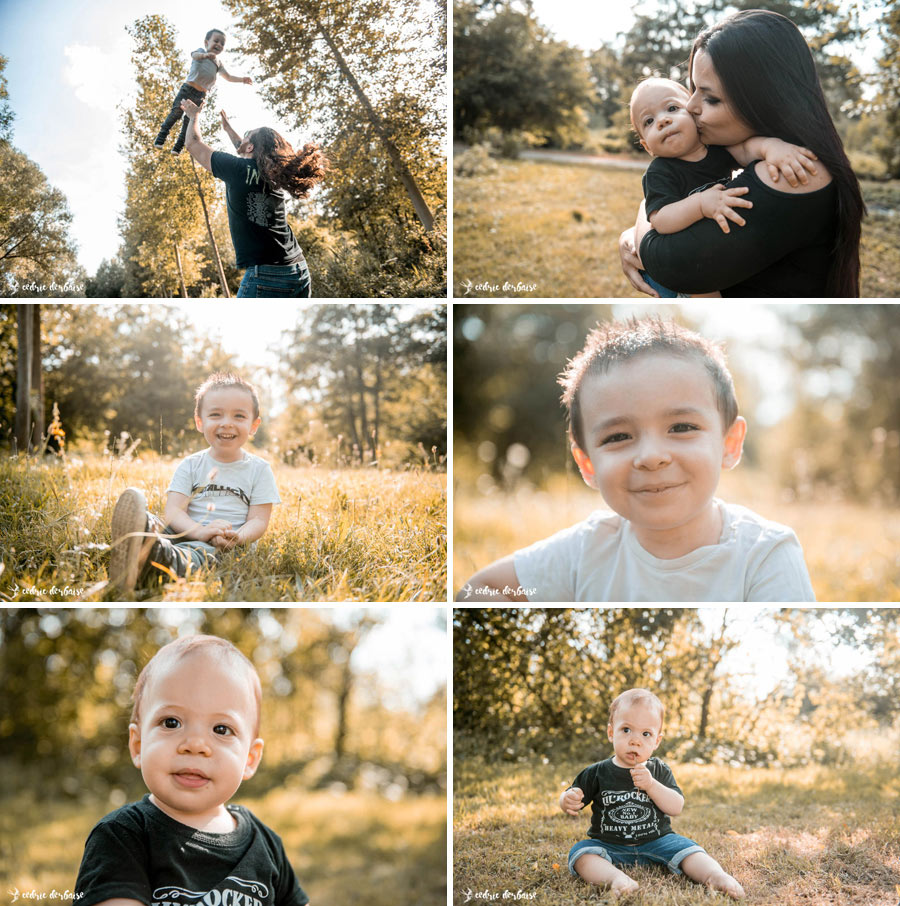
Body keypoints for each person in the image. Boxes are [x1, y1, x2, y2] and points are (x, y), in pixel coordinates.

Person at [455, 317, 816, 602]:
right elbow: (480, 591)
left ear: (729, 443)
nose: (651, 457)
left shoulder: (765, 555)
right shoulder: (585, 554)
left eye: (682, 427)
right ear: (587, 464)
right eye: (618, 437)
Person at [618, 10, 865, 297]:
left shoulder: (794, 171)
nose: (692, 107)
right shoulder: (727, 154)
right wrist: (648, 217)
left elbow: (672, 264)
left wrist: (640, 224)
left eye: (710, 98)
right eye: (694, 89)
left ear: (763, 101)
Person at [71, 634, 311, 906]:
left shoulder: (266, 845)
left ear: (250, 759)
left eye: (221, 729)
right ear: (138, 745)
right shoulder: (123, 836)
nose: (195, 745)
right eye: (171, 722)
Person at [629, 77, 819, 298]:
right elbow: (660, 219)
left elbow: (747, 149)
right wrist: (700, 204)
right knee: (705, 289)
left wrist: (771, 147)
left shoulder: (717, 150)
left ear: (693, 112)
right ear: (646, 146)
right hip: (683, 265)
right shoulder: (659, 172)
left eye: (672, 108)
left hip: (717, 248)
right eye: (649, 121)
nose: (662, 121)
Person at [560, 688, 744, 898]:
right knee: (581, 853)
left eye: (646, 734)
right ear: (611, 732)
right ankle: (616, 879)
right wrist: (566, 800)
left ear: (656, 740)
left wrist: (652, 785)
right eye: (626, 730)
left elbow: (676, 807)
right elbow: (570, 797)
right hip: (610, 844)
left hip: (658, 840)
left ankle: (716, 876)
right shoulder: (597, 772)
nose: (635, 740)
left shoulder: (658, 770)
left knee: (690, 850)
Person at [108, 372, 281, 593]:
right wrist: (199, 530)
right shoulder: (190, 465)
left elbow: (258, 520)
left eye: (239, 416)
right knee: (158, 525)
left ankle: (158, 560)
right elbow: (173, 511)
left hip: (226, 545)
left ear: (254, 425)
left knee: (198, 554)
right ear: (200, 422)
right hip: (188, 529)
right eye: (216, 414)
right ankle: (140, 538)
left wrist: (237, 537)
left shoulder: (259, 469)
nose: (227, 423)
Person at [179, 100, 327, 297]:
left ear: (251, 147)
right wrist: (228, 129)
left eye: (248, 134)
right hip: (298, 269)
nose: (243, 138)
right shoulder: (273, 173)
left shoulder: (237, 170)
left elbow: (193, 143)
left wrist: (193, 116)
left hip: (267, 274)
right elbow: (245, 149)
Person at [154, 29, 252, 155]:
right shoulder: (200, 52)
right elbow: (194, 56)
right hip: (187, 90)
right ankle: (161, 138)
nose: (219, 45)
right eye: (216, 41)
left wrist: (242, 80)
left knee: (188, 122)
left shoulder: (218, 64)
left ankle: (177, 148)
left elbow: (228, 77)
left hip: (200, 96)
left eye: (222, 44)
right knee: (176, 113)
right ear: (206, 42)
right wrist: (205, 56)